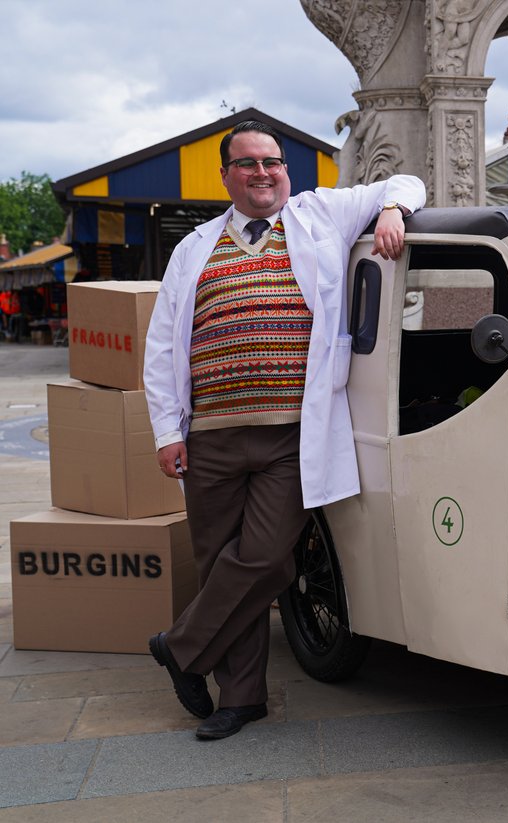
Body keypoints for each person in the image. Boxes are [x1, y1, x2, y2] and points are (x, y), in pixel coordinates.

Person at [143, 120, 425, 740]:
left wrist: (394, 210)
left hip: (293, 435)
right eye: (248, 164)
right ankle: (240, 699)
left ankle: (181, 647)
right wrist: (168, 431)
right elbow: (163, 343)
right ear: (226, 176)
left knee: (268, 558)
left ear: (286, 170)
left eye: (272, 162)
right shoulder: (193, 248)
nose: (263, 172)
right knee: (220, 560)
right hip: (210, 436)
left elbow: (406, 179)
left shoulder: (318, 215)